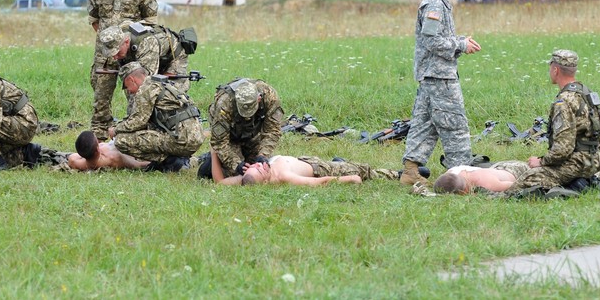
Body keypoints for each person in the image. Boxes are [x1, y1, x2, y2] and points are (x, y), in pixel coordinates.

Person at [400, 0, 482, 185]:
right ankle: (461, 175)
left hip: (434, 75)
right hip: (439, 76)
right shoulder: (434, 5)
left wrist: (460, 40)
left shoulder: (441, 1)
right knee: (454, 124)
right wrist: (460, 45)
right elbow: (431, 41)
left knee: (425, 123)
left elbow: (438, 38)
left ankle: (410, 170)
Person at [505, 49, 600, 194]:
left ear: (555, 70)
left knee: (526, 180)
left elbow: (562, 149)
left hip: (576, 165)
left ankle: (575, 184)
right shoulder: (587, 93)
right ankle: (583, 181)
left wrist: (541, 162)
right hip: (595, 160)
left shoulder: (564, 101)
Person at [88, 0, 159, 140]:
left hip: (130, 55)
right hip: (104, 56)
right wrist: (107, 41)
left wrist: (127, 34)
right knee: (100, 99)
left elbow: (151, 21)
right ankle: (99, 139)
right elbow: (94, 19)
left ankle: (132, 135)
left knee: (135, 96)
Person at [105, 62, 204, 171]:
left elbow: (138, 122)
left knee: (121, 140)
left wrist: (116, 130)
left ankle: (173, 162)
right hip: (193, 136)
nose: (129, 91)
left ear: (132, 80)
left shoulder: (145, 89)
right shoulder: (159, 83)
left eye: (127, 86)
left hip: (182, 139)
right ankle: (182, 160)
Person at [204, 78, 284, 179]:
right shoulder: (224, 103)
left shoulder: (270, 97)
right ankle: (210, 159)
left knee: (259, 169)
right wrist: (236, 164)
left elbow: (273, 131)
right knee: (238, 173)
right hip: (230, 137)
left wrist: (263, 154)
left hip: (252, 134)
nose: (247, 116)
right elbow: (219, 142)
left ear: (259, 99)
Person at [434, 157, 600, 195]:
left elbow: (514, 186)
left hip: (515, 171)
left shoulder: (486, 182)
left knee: (554, 177)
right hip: (500, 165)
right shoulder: (453, 173)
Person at [210, 150, 408, 186]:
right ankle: (397, 175)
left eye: (255, 165)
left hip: (302, 159)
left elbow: (219, 182)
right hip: (319, 168)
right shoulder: (283, 176)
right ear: (265, 181)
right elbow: (318, 182)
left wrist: (213, 152)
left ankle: (339, 162)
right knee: (363, 170)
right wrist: (350, 179)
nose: (260, 165)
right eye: (260, 170)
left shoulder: (249, 178)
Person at [97, 21, 192, 93]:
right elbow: (131, 84)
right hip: (149, 54)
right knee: (132, 82)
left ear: (126, 42)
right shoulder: (118, 35)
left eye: (117, 52)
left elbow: (146, 84)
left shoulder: (146, 44)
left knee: (169, 92)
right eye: (112, 54)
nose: (115, 57)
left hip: (173, 55)